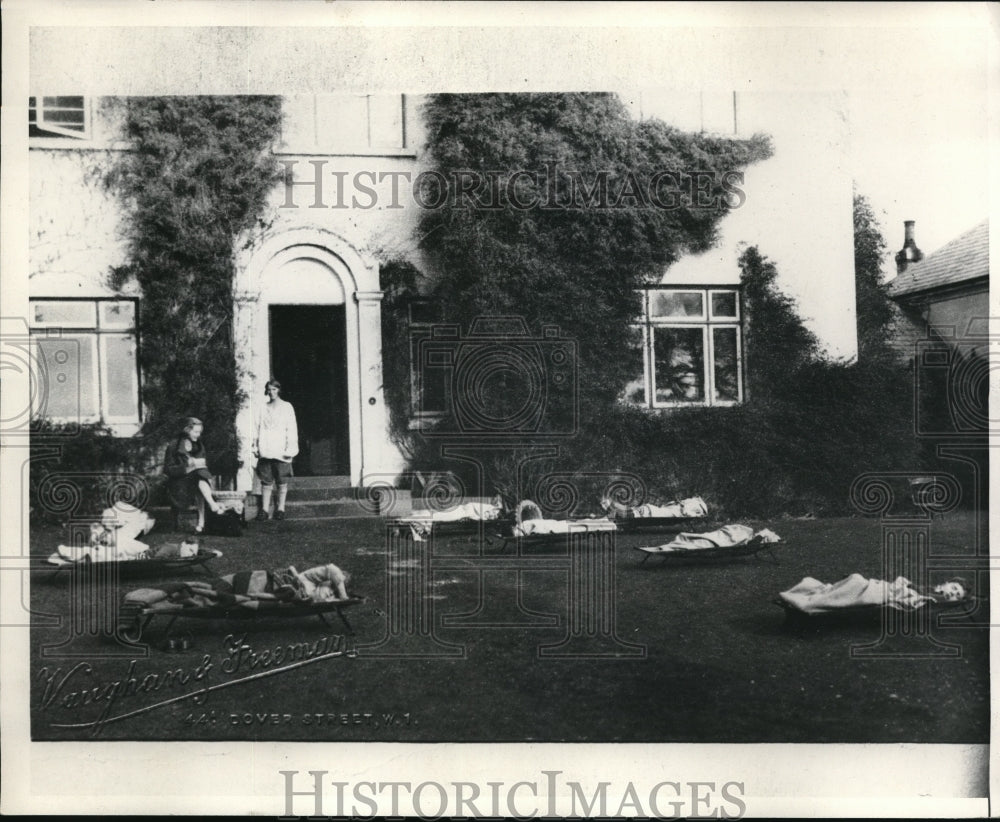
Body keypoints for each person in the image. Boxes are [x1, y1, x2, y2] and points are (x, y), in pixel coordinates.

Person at [165, 417, 226, 534]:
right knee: (198, 479)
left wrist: (199, 465)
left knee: (199, 477)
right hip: (179, 482)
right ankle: (208, 511)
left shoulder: (198, 445)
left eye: (199, 432)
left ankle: (202, 522)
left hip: (195, 479)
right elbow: (168, 469)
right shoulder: (174, 446)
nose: (198, 435)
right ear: (187, 431)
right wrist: (186, 468)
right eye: (195, 432)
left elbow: (203, 463)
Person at [253, 379, 299, 521]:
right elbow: (257, 427)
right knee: (266, 479)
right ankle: (265, 510)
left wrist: (290, 447)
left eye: (274, 389)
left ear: (279, 390)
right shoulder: (262, 407)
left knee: (281, 478)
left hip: (280, 448)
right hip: (266, 447)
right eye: (269, 389)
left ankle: (280, 509)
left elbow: (291, 428)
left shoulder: (286, 407)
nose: (271, 392)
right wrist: (255, 445)